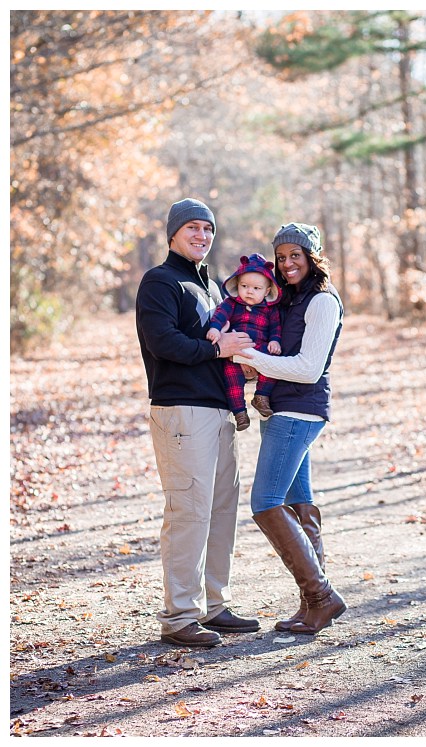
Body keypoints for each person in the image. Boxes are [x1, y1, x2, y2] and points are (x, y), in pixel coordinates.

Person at [135, 197, 260, 648]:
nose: (202, 236)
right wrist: (216, 349)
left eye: (208, 229)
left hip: (220, 410)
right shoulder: (160, 281)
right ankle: (179, 615)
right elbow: (162, 341)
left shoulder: (211, 288)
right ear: (172, 233)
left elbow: (221, 346)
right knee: (189, 510)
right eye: (192, 228)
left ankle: (215, 605)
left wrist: (242, 362)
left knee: (222, 510)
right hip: (181, 409)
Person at [233, 222, 348, 634]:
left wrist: (250, 355)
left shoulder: (321, 301)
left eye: (294, 256)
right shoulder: (290, 301)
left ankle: (321, 596)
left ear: (311, 257)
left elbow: (307, 368)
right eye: (280, 258)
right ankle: (312, 605)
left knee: (265, 501)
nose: (286, 264)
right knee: (300, 504)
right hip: (281, 409)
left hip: (300, 411)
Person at [206, 253, 283, 431]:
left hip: (260, 349)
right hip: (236, 351)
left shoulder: (270, 310)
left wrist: (275, 341)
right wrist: (215, 329)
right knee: (232, 379)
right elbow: (220, 315)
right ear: (237, 285)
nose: (249, 291)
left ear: (267, 291)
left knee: (272, 365)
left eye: (256, 288)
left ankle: (261, 396)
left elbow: (276, 328)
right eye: (244, 286)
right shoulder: (231, 303)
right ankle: (239, 412)